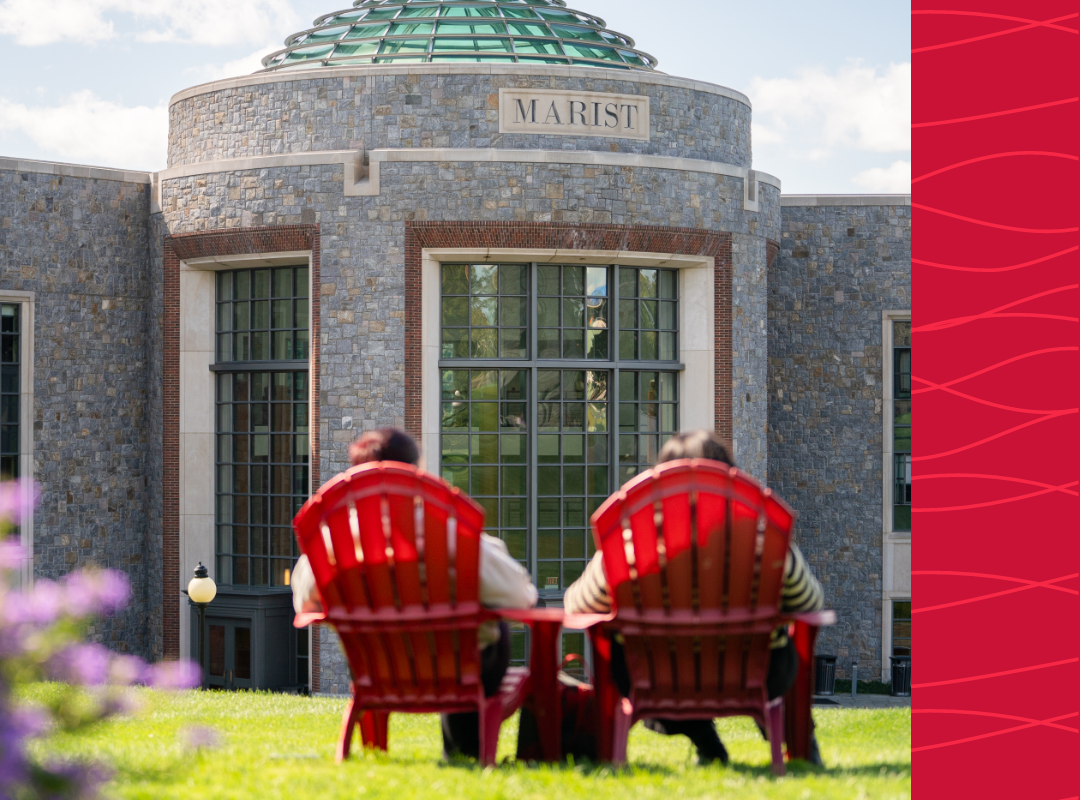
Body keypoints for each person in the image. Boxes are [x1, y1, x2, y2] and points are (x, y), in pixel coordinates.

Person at [563, 429, 825, 766]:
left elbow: (577, 607)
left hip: (653, 678)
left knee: (642, 655)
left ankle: (707, 744)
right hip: (760, 673)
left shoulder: (629, 542)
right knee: (784, 644)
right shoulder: (763, 537)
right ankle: (797, 740)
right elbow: (810, 602)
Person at [290, 428, 538, 760]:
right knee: (488, 630)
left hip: (377, 667)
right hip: (462, 669)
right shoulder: (452, 531)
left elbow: (305, 599)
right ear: (416, 470)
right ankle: (466, 749)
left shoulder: (335, 542)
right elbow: (521, 596)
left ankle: (390, 748)